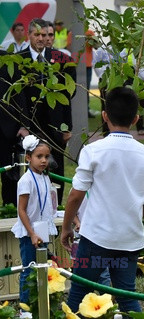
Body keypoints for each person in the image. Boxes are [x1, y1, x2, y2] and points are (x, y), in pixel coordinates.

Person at [61, 87, 144, 313]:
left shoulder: (93, 151)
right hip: (129, 239)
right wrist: (130, 218)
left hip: (94, 237)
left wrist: (66, 227)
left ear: (105, 116)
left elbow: (75, 195)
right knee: (126, 295)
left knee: (79, 293)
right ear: (136, 119)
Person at [18, 18, 77, 205]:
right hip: (30, 124)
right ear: (29, 36)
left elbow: (67, 97)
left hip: (55, 125)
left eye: (44, 35)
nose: (41, 39)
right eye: (36, 35)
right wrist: (23, 125)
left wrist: (67, 126)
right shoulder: (20, 61)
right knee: (31, 169)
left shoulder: (61, 60)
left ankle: (56, 208)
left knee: (55, 169)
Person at [11, 135, 57, 304]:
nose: (44, 160)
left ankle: (41, 304)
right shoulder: (26, 180)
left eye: (46, 157)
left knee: (42, 269)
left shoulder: (45, 177)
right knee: (28, 269)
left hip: (42, 230)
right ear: (28, 157)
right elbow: (21, 210)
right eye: (39, 156)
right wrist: (31, 233)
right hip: (30, 232)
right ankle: (25, 307)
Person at [0, 50, 29, 206]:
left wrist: (24, 125)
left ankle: (9, 209)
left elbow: (20, 94)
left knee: (9, 175)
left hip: (7, 129)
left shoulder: (8, 59)